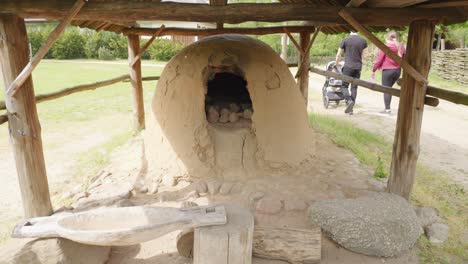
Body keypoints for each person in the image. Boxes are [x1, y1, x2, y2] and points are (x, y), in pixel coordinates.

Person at [372, 31, 405, 114]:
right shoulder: (401, 46)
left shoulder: (386, 46)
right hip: (397, 71)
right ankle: (388, 108)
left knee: (386, 89)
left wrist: (374, 69)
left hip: (387, 71)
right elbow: (404, 57)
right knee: (389, 88)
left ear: (388, 37)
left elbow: (379, 59)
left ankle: (387, 109)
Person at [335, 32, 368, 115]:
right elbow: (364, 56)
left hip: (348, 67)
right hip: (358, 67)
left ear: (350, 32)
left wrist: (337, 63)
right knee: (354, 87)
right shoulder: (363, 41)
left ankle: (349, 101)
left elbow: (338, 54)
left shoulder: (345, 40)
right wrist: (362, 65)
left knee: (344, 86)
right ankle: (350, 109)